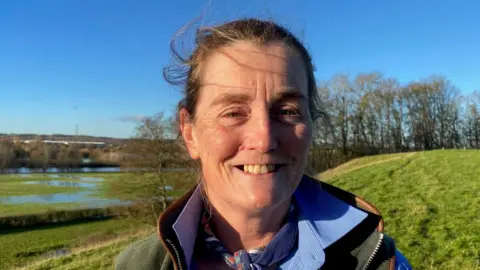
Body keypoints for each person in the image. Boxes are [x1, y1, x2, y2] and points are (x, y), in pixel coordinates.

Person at [115, 18, 412, 270]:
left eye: (287, 111)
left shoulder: (378, 261)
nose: (264, 138)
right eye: (232, 112)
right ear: (190, 132)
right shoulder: (139, 264)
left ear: (311, 125)